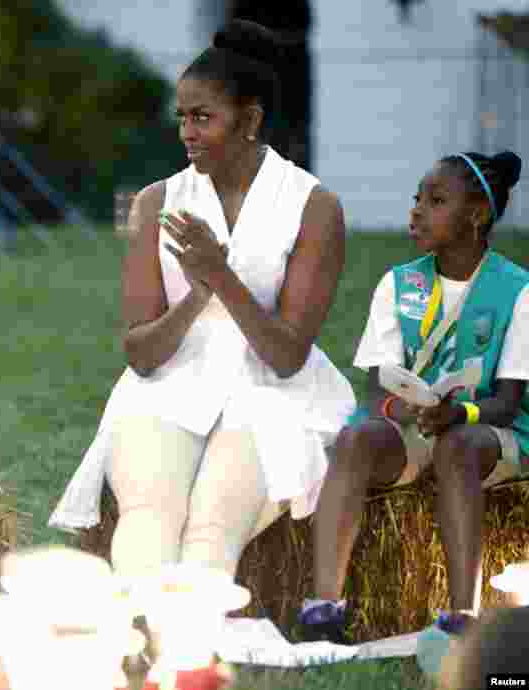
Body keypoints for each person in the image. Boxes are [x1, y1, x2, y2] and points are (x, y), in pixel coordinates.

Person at [49, 18, 355, 652]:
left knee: (211, 525)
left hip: (271, 392)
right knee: (148, 516)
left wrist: (222, 275)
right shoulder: (157, 201)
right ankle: (138, 642)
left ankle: (181, 648)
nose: (186, 133)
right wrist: (197, 295)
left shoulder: (312, 204)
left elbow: (288, 355)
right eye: (181, 117)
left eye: (203, 118)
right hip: (169, 382)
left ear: (250, 119)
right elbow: (138, 351)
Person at [301, 151, 526, 645]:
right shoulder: (400, 284)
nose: (417, 211)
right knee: (356, 436)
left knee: (457, 446)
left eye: (436, 200)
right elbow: (379, 382)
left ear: (477, 215)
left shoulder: (518, 290)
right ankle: (323, 609)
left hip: (488, 432)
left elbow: (508, 403)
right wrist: (396, 407)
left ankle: (463, 615)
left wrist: (456, 413)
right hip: (418, 428)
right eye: (416, 199)